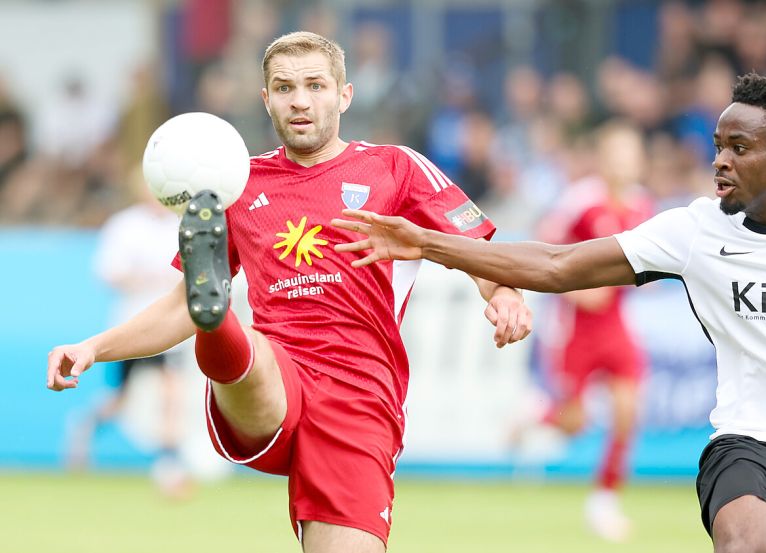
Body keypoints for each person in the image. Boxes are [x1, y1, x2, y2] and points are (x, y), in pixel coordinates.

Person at [332, 73, 766, 553]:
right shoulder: (693, 230)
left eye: (738, 147)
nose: (717, 161)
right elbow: (557, 266)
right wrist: (423, 242)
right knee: (745, 539)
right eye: (716, 144)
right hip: (748, 448)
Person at [47, 31, 532, 553]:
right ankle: (220, 323)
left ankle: (220, 323)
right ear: (267, 100)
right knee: (234, 333)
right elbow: (176, 306)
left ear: (344, 95)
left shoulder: (396, 167)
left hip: (359, 396)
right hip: (272, 375)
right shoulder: (237, 183)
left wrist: (503, 292)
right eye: (284, 87)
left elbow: (474, 245)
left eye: (315, 85)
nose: (299, 99)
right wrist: (94, 347)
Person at [529, 120, 652, 542]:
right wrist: (578, 292)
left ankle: (604, 500)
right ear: (602, 158)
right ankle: (536, 414)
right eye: (616, 152)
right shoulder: (580, 199)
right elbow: (544, 245)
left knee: (627, 412)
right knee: (573, 422)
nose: (624, 162)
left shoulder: (641, 206)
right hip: (576, 328)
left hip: (616, 325)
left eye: (631, 153)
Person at [65, 173, 192, 498]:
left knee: (171, 392)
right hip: (132, 326)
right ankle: (85, 427)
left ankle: (168, 465)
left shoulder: (181, 225)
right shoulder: (125, 226)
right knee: (121, 398)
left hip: (169, 327)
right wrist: (147, 278)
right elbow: (109, 272)